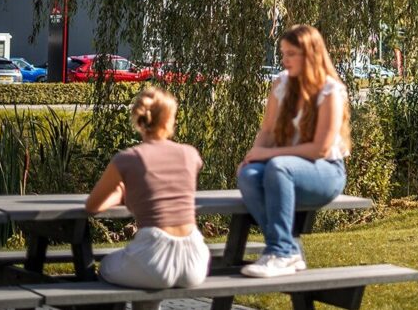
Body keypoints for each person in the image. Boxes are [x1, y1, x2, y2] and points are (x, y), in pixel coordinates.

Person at [237, 24, 350, 278]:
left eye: (291, 54)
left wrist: (266, 155)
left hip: (325, 172)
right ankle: (287, 249)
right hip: (284, 170)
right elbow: (266, 131)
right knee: (249, 175)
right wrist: (252, 156)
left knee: (278, 166)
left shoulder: (330, 91)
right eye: (283, 53)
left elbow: (320, 149)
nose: (284, 60)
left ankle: (279, 251)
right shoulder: (282, 84)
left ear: (310, 55)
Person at [85, 87, 208, 309]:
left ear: (138, 119)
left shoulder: (127, 159)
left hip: (153, 255)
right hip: (195, 258)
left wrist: (120, 193)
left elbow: (93, 205)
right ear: (170, 119)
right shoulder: (191, 155)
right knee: (146, 286)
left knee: (105, 268)